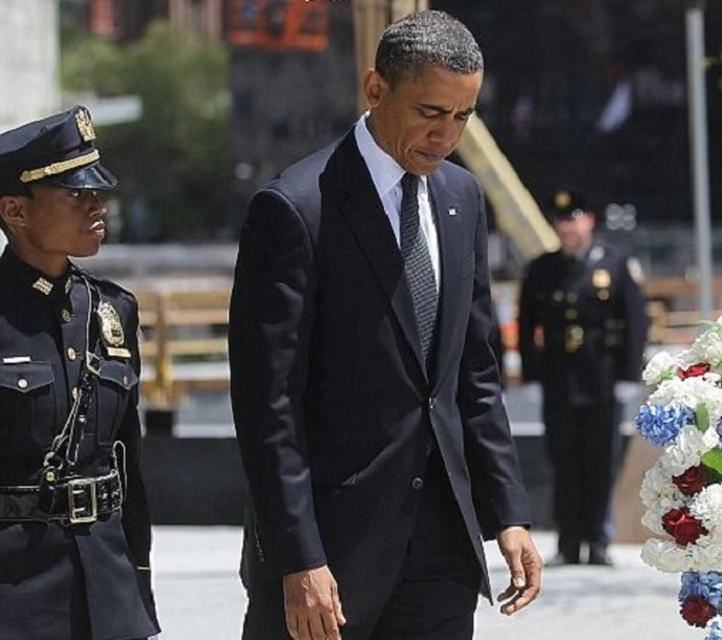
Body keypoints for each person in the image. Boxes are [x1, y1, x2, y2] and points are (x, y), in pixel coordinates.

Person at [229, 10, 542, 640]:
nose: (447, 134)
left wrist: (507, 514)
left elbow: (474, 375)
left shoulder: (462, 198)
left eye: (464, 115)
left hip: (442, 552)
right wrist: (299, 557)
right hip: (329, 554)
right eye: (431, 111)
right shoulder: (294, 209)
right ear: (376, 90)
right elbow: (269, 409)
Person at [0, 107, 159, 639]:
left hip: (108, 594)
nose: (97, 206)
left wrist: (139, 588)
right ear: (14, 211)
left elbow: (127, 465)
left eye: (97, 191)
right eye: (75, 195)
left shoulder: (113, 311)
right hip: (16, 600)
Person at [518, 187, 649, 567]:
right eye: (561, 221)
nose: (567, 227)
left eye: (574, 219)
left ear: (589, 221)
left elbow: (636, 322)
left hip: (601, 380)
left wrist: (628, 374)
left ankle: (598, 540)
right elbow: (527, 326)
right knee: (563, 461)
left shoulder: (615, 265)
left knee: (599, 461)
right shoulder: (542, 269)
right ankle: (569, 541)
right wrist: (530, 374)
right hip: (559, 380)